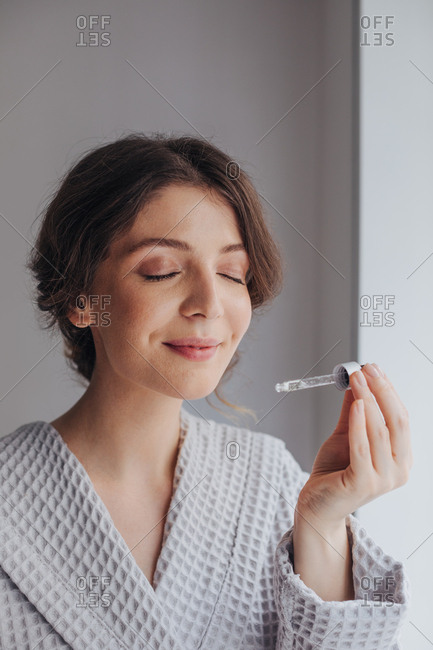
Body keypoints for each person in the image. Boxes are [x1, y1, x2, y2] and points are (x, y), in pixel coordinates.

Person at [0, 133, 412, 649]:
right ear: (79, 298)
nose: (210, 303)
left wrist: (324, 522)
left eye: (231, 273)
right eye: (162, 271)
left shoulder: (272, 486)